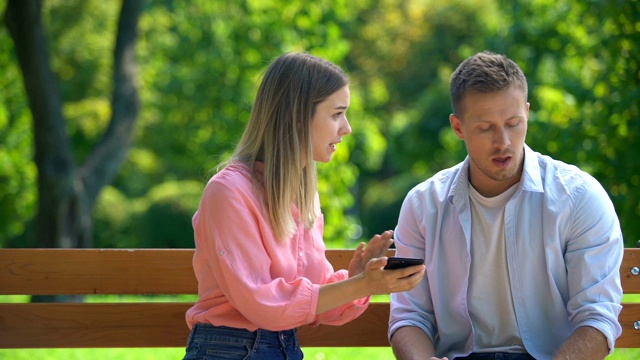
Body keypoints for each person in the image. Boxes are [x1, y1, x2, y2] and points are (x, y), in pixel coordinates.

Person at [182, 52, 425, 360]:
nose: (347, 128)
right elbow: (264, 305)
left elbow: (315, 304)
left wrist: (360, 281)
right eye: (337, 114)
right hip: (228, 350)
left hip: (286, 348)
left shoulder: (303, 196)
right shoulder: (228, 192)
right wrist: (360, 284)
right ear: (297, 117)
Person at [388, 51, 623, 360]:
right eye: (486, 128)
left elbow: (596, 318)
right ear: (458, 127)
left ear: (527, 112)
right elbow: (409, 316)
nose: (504, 142)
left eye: (514, 123)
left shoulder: (578, 196)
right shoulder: (423, 205)